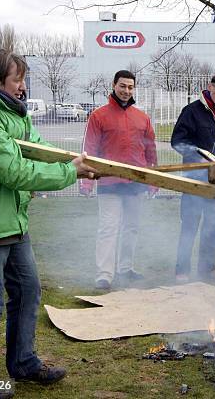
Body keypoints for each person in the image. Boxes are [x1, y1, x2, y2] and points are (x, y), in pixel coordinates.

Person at [0, 48, 97, 397]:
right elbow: (14, 170)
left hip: (11, 223)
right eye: (17, 79)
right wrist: (69, 173)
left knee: (28, 291)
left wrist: (75, 161)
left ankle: (23, 362)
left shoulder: (11, 111)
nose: (22, 86)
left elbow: (34, 147)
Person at [80, 70, 157, 290]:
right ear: (113, 85)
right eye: (122, 86)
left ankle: (126, 268)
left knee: (131, 227)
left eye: (130, 87)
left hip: (136, 182)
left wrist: (153, 181)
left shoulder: (142, 118)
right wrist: (86, 181)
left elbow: (151, 152)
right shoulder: (98, 116)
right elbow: (89, 150)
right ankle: (104, 274)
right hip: (109, 182)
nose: (126, 91)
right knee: (108, 227)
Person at [171, 75, 215, 282]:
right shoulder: (191, 111)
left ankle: (207, 268)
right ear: (209, 87)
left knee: (213, 224)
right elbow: (177, 141)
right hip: (194, 179)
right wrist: (200, 155)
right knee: (190, 224)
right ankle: (182, 270)